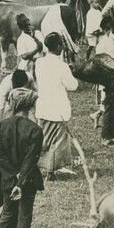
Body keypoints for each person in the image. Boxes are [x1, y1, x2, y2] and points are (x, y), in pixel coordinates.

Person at [0, 87, 44, 228]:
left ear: (13, 105)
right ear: (29, 106)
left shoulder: (3, 126)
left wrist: (12, 176)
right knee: (24, 215)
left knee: (7, 212)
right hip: (27, 180)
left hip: (7, 178)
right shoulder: (35, 130)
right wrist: (20, 182)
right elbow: (30, 160)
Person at [33, 32, 79, 178]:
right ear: (59, 46)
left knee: (44, 139)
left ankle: (41, 167)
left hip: (43, 106)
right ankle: (51, 171)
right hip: (57, 108)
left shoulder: (39, 63)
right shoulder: (62, 66)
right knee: (57, 141)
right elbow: (73, 86)